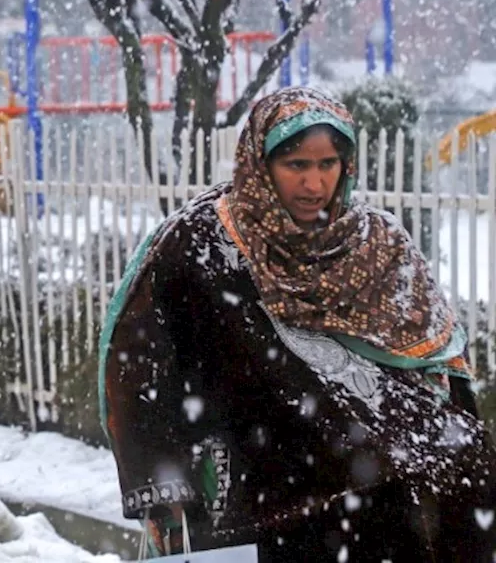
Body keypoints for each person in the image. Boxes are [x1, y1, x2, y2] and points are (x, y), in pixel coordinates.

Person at [100, 87, 496, 561]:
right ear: (260, 164)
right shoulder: (202, 242)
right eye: (296, 166)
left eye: (327, 165)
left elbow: (437, 361)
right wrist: (163, 486)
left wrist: (448, 441)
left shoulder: (378, 242)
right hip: (255, 491)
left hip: (377, 493)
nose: (314, 185)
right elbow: (139, 363)